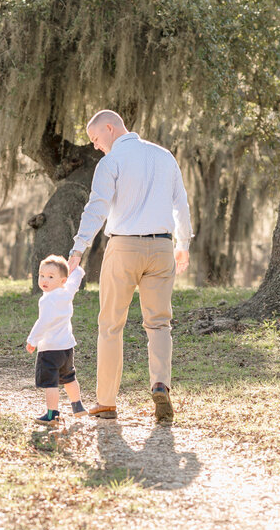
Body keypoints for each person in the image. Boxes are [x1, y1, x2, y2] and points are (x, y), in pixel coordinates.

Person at [68, 110, 192, 424]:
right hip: (162, 247)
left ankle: (107, 402)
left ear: (110, 128)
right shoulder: (164, 157)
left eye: (95, 138)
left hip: (123, 247)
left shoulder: (111, 162)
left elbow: (97, 207)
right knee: (160, 324)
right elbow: (181, 204)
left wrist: (78, 248)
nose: (95, 146)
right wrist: (183, 245)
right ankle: (160, 384)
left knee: (111, 325)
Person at [26, 255, 88, 426]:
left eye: (51, 277)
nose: (44, 280)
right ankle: (77, 405)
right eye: (42, 275)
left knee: (50, 382)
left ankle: (52, 414)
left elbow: (43, 322)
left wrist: (32, 340)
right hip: (67, 348)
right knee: (69, 377)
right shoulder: (66, 292)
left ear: (61, 280)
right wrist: (77, 269)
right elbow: (74, 281)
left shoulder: (47, 299)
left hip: (50, 349)